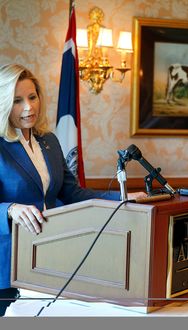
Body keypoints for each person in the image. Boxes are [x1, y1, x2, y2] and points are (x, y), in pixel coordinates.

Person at [0, 63, 146, 316]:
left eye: (32, 97)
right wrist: (10, 209)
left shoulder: (49, 141)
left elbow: (73, 194)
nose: (29, 107)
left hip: (48, 256)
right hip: (5, 262)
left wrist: (122, 198)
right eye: (17, 101)